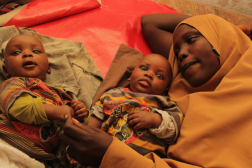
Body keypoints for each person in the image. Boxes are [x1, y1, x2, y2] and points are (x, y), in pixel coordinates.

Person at [60, 13, 252, 168]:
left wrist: (111, 156)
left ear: (222, 40)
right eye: (176, 53)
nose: (182, 54)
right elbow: (150, 23)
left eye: (192, 39)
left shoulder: (245, 72)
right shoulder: (182, 79)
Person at [0, 34, 88, 160]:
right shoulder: (13, 84)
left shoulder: (59, 93)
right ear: (6, 70)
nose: (27, 54)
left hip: (36, 158)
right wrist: (60, 112)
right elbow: (20, 108)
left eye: (35, 51)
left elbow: (75, 120)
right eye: (16, 52)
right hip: (5, 144)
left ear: (48, 67)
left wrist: (81, 113)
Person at [88, 53, 183, 157]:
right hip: (103, 154)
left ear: (166, 89)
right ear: (130, 75)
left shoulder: (165, 103)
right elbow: (96, 116)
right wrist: (85, 141)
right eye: (144, 68)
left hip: (140, 161)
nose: (149, 74)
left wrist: (154, 119)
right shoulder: (113, 94)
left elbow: (173, 130)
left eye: (159, 76)